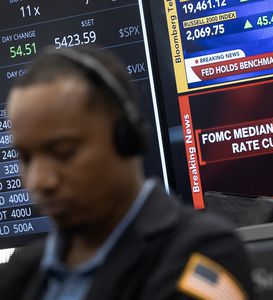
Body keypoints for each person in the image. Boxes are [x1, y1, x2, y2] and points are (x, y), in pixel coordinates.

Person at [0, 46, 254, 300]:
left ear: (125, 138)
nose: (39, 180)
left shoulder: (204, 252)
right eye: (27, 158)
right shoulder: (21, 273)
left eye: (64, 152)